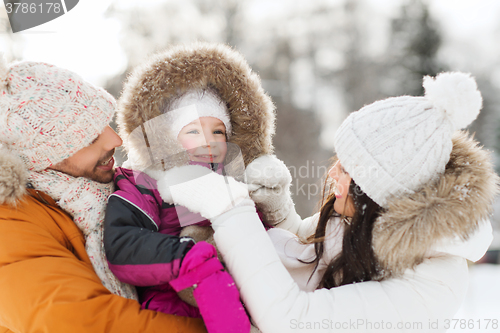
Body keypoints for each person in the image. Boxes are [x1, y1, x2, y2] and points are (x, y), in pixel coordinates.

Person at [153, 72, 498, 332]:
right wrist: (277, 208)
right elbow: (306, 253)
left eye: (346, 170)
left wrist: (229, 209)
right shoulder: (368, 220)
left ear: (378, 193)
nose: (332, 173)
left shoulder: (432, 287)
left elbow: (293, 320)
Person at [0, 58, 206, 332]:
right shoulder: (10, 224)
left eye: (105, 124)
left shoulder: (118, 192)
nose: (115, 140)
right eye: (88, 138)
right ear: (42, 158)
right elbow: (84, 322)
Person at [104, 42, 277, 333]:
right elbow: (123, 244)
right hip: (172, 300)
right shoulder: (145, 181)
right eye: (193, 131)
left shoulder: (234, 181)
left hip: (245, 299)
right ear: (170, 139)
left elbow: (259, 236)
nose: (208, 141)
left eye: (218, 131)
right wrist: (187, 254)